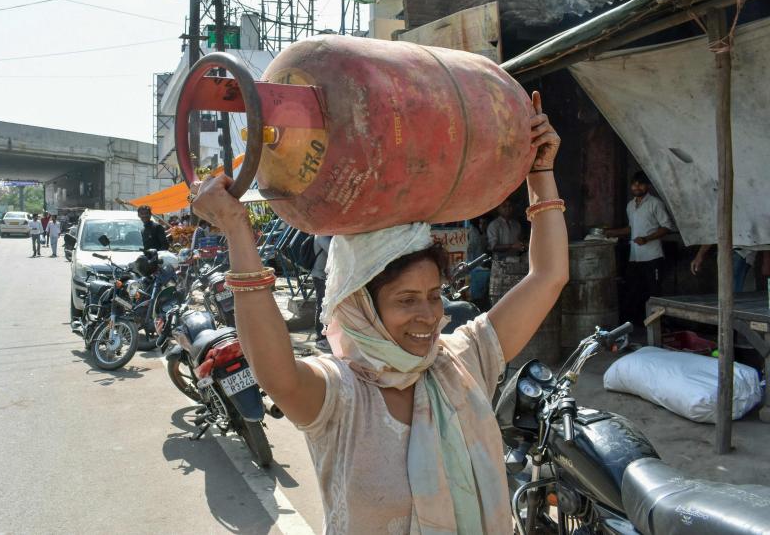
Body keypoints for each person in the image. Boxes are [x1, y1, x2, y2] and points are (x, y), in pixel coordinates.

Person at [189, 91, 567, 533]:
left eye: (434, 295)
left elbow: (548, 276)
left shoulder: (461, 359)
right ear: (362, 307)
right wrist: (236, 227)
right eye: (406, 300)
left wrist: (541, 172)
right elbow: (277, 374)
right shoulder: (342, 395)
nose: (429, 314)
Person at [605, 171, 674, 324]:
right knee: (634, 291)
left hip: (652, 257)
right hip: (635, 257)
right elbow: (631, 228)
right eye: (634, 184)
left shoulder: (655, 203)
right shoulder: (630, 205)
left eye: (640, 184)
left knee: (654, 293)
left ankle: (659, 325)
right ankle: (639, 324)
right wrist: (610, 233)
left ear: (647, 186)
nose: (637, 187)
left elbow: (667, 227)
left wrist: (646, 239)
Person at [691, 244, 757, 293]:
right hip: (741, 251)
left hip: (738, 251)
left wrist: (700, 255)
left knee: (732, 288)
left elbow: (712, 233)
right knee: (733, 287)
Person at [311, 235, 332, 350]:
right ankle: (320, 338)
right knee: (322, 306)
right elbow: (333, 251)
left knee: (326, 306)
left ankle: (327, 337)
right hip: (320, 276)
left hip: (324, 275)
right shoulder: (321, 236)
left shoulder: (324, 235)